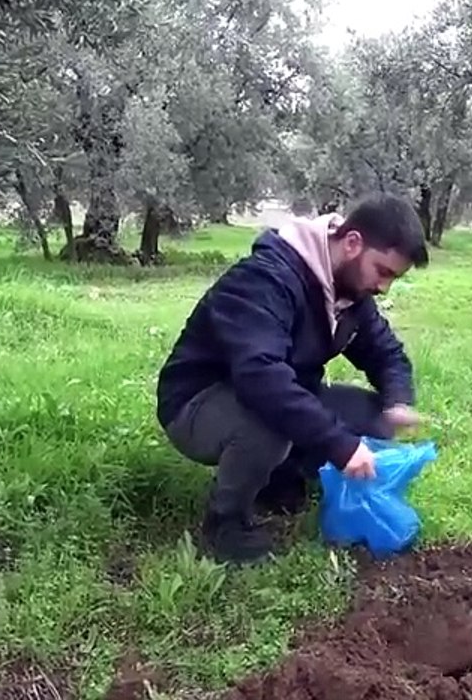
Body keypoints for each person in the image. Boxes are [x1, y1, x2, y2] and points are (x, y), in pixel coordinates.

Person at [156, 191, 430, 564]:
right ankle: (225, 523)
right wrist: (339, 444)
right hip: (196, 403)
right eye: (382, 272)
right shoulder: (266, 279)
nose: (384, 287)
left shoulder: (349, 294)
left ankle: (276, 478)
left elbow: (386, 353)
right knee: (270, 424)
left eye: (393, 279)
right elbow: (261, 377)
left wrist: (398, 399)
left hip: (268, 395)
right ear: (352, 243)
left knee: (372, 418)